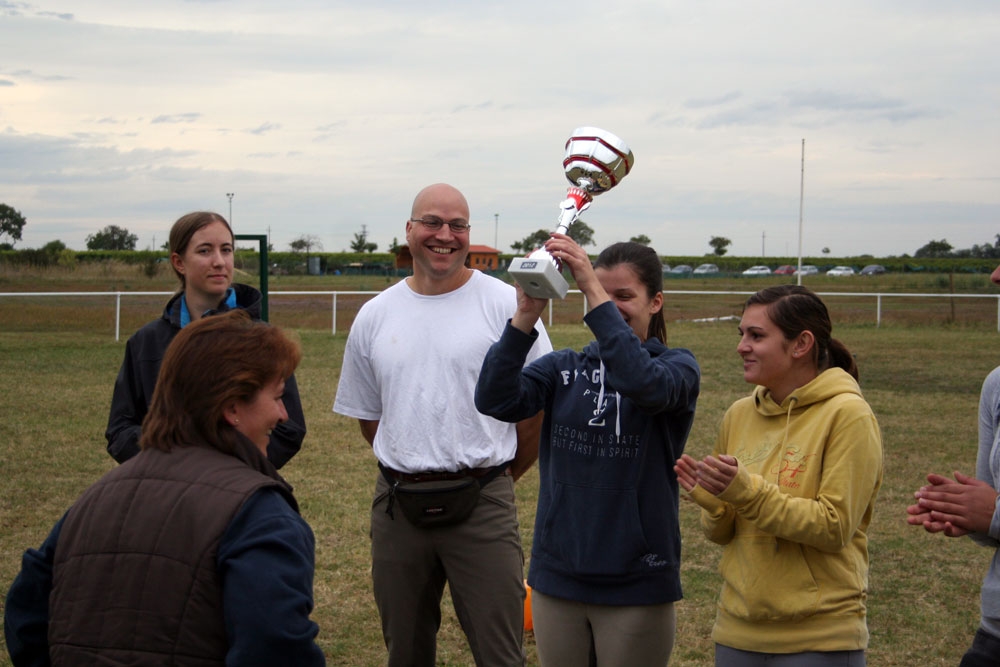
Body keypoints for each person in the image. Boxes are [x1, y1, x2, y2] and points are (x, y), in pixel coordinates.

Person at [5, 309, 325, 665]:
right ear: (232, 406)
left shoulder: (93, 498)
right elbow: (273, 649)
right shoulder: (261, 514)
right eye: (278, 396)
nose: (284, 415)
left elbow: (26, 615)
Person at [332, 183, 553, 667]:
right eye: (432, 222)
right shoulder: (375, 315)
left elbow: (535, 412)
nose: (445, 235)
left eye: (458, 225)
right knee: (406, 651)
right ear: (409, 230)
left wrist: (494, 481)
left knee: (500, 654)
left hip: (484, 503)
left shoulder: (507, 306)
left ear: (469, 234)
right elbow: (372, 419)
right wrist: (416, 461)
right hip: (399, 506)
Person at [475, 237, 700, 665]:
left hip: (637, 578)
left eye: (624, 296)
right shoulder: (563, 368)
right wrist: (525, 316)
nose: (610, 305)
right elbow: (494, 399)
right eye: (599, 293)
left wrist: (594, 294)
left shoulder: (677, 368)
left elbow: (640, 381)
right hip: (559, 574)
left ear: (656, 303)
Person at [675, 284, 883, 667]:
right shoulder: (738, 414)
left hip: (819, 639)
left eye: (756, 335)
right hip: (737, 632)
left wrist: (746, 493)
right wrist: (714, 503)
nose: (742, 346)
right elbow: (723, 535)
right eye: (742, 335)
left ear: (801, 344)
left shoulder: (848, 415)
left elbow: (834, 527)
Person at [105, 211, 306, 469]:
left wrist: (229, 471)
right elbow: (120, 430)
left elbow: (289, 430)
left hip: (238, 493)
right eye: (204, 251)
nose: (220, 261)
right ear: (179, 262)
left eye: (226, 250)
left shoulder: (264, 342)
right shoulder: (146, 343)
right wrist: (173, 461)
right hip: (167, 496)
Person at [906, 264, 1000, 667]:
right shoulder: (997, 385)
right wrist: (967, 512)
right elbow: (991, 518)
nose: (995, 276)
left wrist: (994, 514)